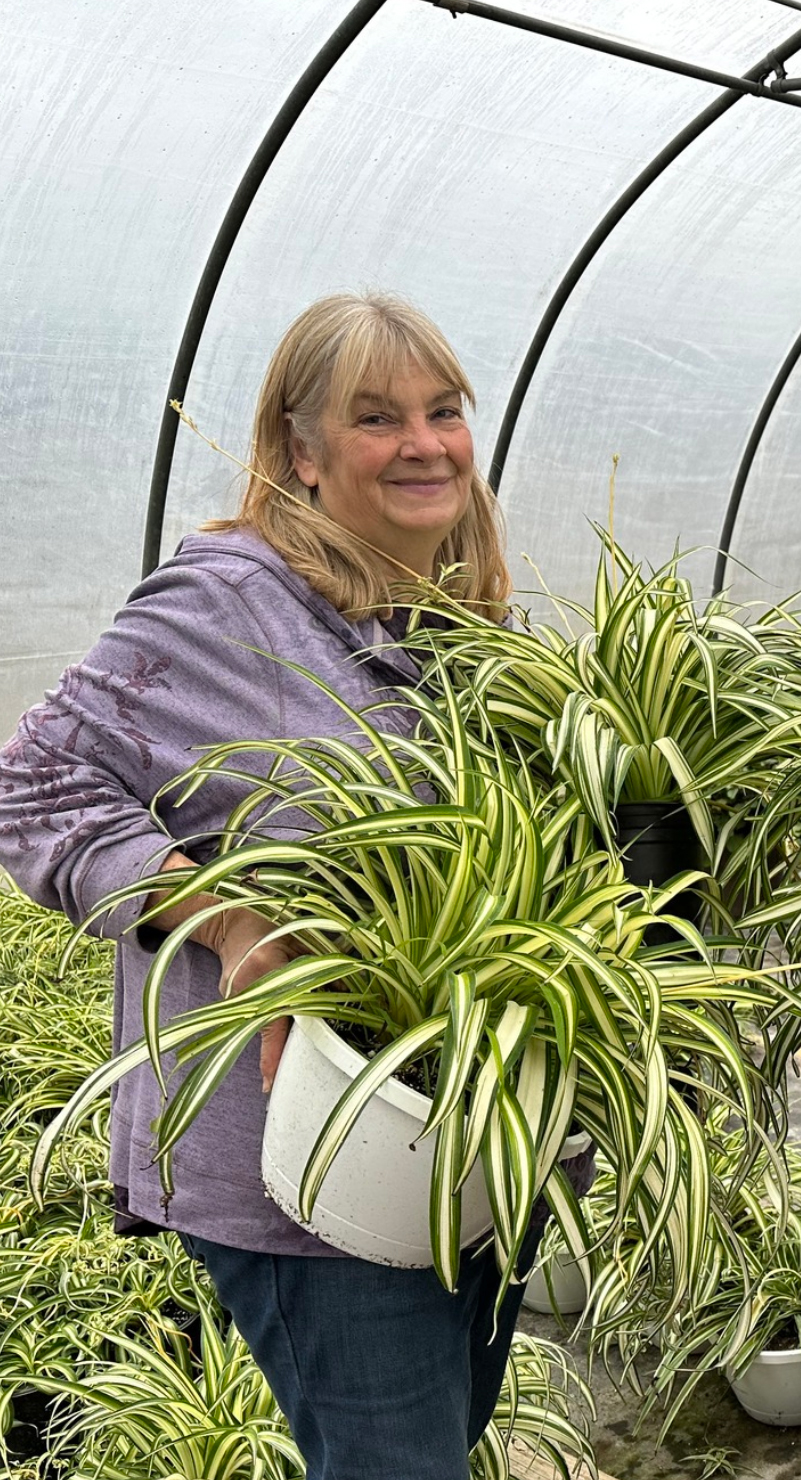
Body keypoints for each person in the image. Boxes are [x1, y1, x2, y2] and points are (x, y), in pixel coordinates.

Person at [0, 293, 526, 1480]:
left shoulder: (458, 618)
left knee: (434, 1440)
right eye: (377, 417)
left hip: (460, 1140)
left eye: (444, 412)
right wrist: (236, 922)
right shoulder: (227, 603)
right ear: (301, 451)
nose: (424, 442)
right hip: (312, 1158)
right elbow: (30, 783)